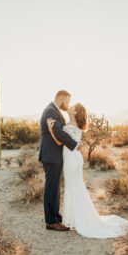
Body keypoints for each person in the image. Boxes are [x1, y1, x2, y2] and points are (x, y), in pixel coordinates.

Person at [47, 103, 128, 238]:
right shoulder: (70, 123)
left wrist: (50, 129)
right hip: (73, 158)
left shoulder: (70, 126)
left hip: (71, 159)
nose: (69, 107)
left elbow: (59, 142)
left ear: (75, 113)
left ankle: (75, 220)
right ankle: (73, 219)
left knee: (73, 187)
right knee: (74, 186)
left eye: (72, 107)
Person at [39, 90, 83, 231]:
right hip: (51, 155)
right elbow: (58, 132)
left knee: (55, 187)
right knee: (51, 188)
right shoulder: (51, 111)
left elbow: (59, 132)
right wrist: (75, 145)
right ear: (62, 99)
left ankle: (55, 215)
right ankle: (51, 221)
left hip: (55, 155)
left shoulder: (55, 111)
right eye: (68, 101)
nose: (68, 104)